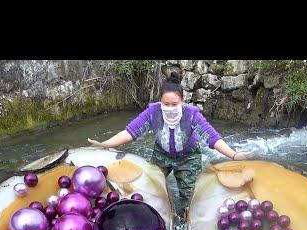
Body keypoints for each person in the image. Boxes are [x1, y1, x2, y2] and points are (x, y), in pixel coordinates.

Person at [90, 72, 249, 216]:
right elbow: (130, 132)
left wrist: (233, 154)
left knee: (190, 198)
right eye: (166, 104)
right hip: (161, 154)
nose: (170, 108)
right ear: (160, 101)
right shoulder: (153, 112)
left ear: (182, 101)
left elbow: (212, 137)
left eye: (174, 104)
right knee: (150, 189)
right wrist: (104, 144)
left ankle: (184, 218)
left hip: (188, 157)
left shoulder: (192, 114)